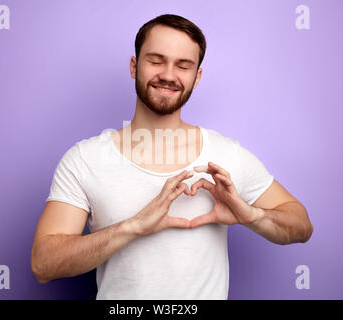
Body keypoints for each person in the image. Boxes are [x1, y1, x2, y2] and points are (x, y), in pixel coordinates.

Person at [31, 14, 313, 299]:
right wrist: (133, 227)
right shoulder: (85, 159)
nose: (168, 74)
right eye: (155, 60)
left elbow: (301, 226)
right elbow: (43, 264)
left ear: (197, 77)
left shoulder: (226, 154)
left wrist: (251, 215)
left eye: (183, 65)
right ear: (134, 66)